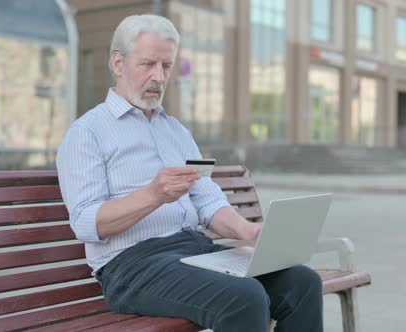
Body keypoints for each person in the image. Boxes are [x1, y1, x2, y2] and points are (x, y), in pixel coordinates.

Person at [56, 14, 323, 332]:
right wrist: (153, 195)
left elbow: (208, 202)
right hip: (131, 265)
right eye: (148, 64)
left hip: (196, 250)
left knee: (303, 282)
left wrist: (248, 232)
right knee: (245, 297)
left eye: (166, 66)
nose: (159, 76)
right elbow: (85, 223)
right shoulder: (87, 132)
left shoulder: (176, 131)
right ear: (118, 63)